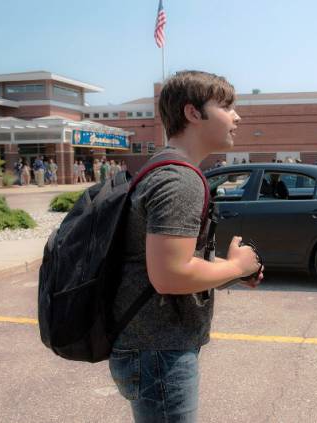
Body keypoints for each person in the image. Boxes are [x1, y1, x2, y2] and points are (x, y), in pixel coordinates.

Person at [108, 70, 263, 422]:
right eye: (226, 106)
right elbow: (170, 275)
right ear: (193, 113)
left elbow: (167, 262)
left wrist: (229, 272)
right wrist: (238, 266)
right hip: (159, 349)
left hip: (149, 345)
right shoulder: (180, 179)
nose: (237, 117)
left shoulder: (163, 167)